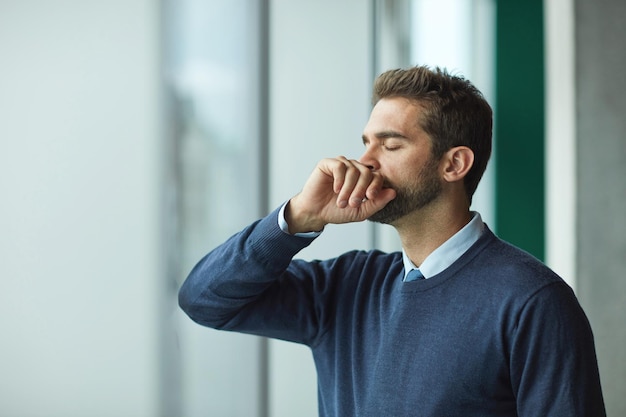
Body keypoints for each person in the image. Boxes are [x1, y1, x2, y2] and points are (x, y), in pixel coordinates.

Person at [178, 65, 606, 416]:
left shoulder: (532, 301)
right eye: (366, 143)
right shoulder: (346, 285)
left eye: (390, 145)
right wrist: (295, 218)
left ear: (454, 163)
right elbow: (203, 299)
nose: (363, 162)